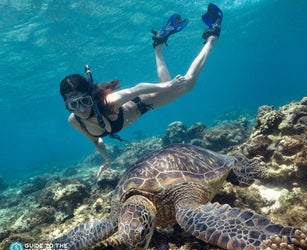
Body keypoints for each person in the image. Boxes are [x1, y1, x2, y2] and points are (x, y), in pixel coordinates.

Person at [60, 3, 223, 176]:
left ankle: (212, 36)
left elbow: (137, 89)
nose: (82, 109)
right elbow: (95, 140)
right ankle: (158, 44)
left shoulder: (108, 102)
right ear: (67, 106)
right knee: (166, 82)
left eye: (84, 101)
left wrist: (167, 87)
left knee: (188, 84)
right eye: (73, 105)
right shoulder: (75, 121)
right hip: (140, 107)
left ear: (91, 97)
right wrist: (107, 159)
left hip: (143, 103)